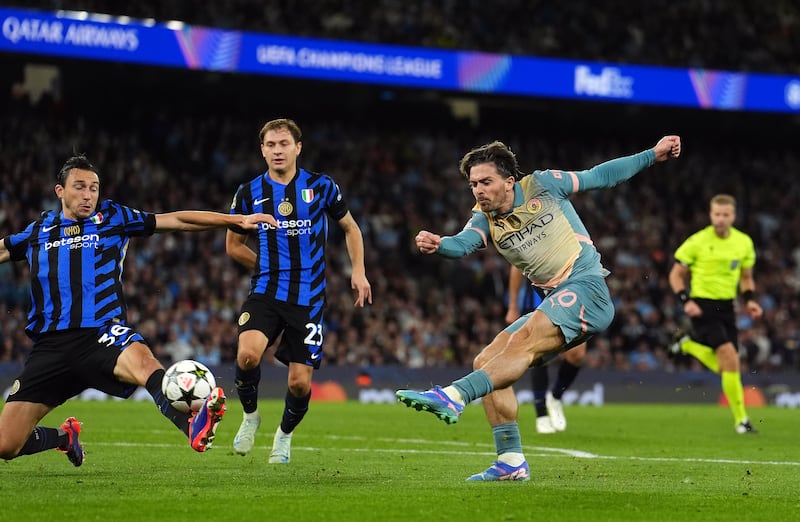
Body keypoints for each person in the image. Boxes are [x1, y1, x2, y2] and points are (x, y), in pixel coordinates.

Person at [396, 135, 682, 481]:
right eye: (473, 184)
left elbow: (600, 176)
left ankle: (455, 395)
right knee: (487, 361)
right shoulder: (484, 217)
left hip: (586, 286)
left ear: (509, 182)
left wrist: (652, 154)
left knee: (522, 340)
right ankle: (510, 461)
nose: (478, 190)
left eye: (486, 182)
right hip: (556, 300)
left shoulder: (542, 185)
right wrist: (440, 243)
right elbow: (463, 244)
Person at [0, 154, 277, 466]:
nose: (88, 195)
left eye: (94, 188)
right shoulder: (38, 231)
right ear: (60, 191)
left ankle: (192, 426)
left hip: (101, 334)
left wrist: (234, 220)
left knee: (145, 364)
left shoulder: (113, 217)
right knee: (6, 444)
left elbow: (175, 220)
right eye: (80, 187)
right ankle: (65, 438)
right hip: (51, 346)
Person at [227, 118, 371, 463]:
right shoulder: (248, 192)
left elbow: (350, 228)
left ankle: (283, 436)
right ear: (262, 150)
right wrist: (266, 266)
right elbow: (233, 246)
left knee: (299, 384)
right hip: (266, 291)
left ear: (298, 148)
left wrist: (359, 271)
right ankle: (250, 417)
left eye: (284, 144)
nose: (277, 150)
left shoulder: (321, 186)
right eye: (271, 145)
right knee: (247, 356)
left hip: (308, 297)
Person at [668, 194, 762, 434]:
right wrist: (685, 300)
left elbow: (747, 277)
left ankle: (687, 345)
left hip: (728, 308)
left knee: (729, 366)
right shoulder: (697, 241)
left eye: (725, 215)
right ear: (711, 215)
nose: (721, 219)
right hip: (702, 306)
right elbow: (676, 275)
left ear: (733, 216)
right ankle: (741, 421)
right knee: (729, 357)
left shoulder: (743, 242)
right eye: (717, 214)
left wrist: (750, 301)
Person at [505, 265, 586, 434]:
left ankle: (555, 397)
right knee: (539, 353)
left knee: (577, 354)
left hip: (570, 296)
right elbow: (516, 266)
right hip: (538, 297)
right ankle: (541, 414)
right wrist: (513, 306)